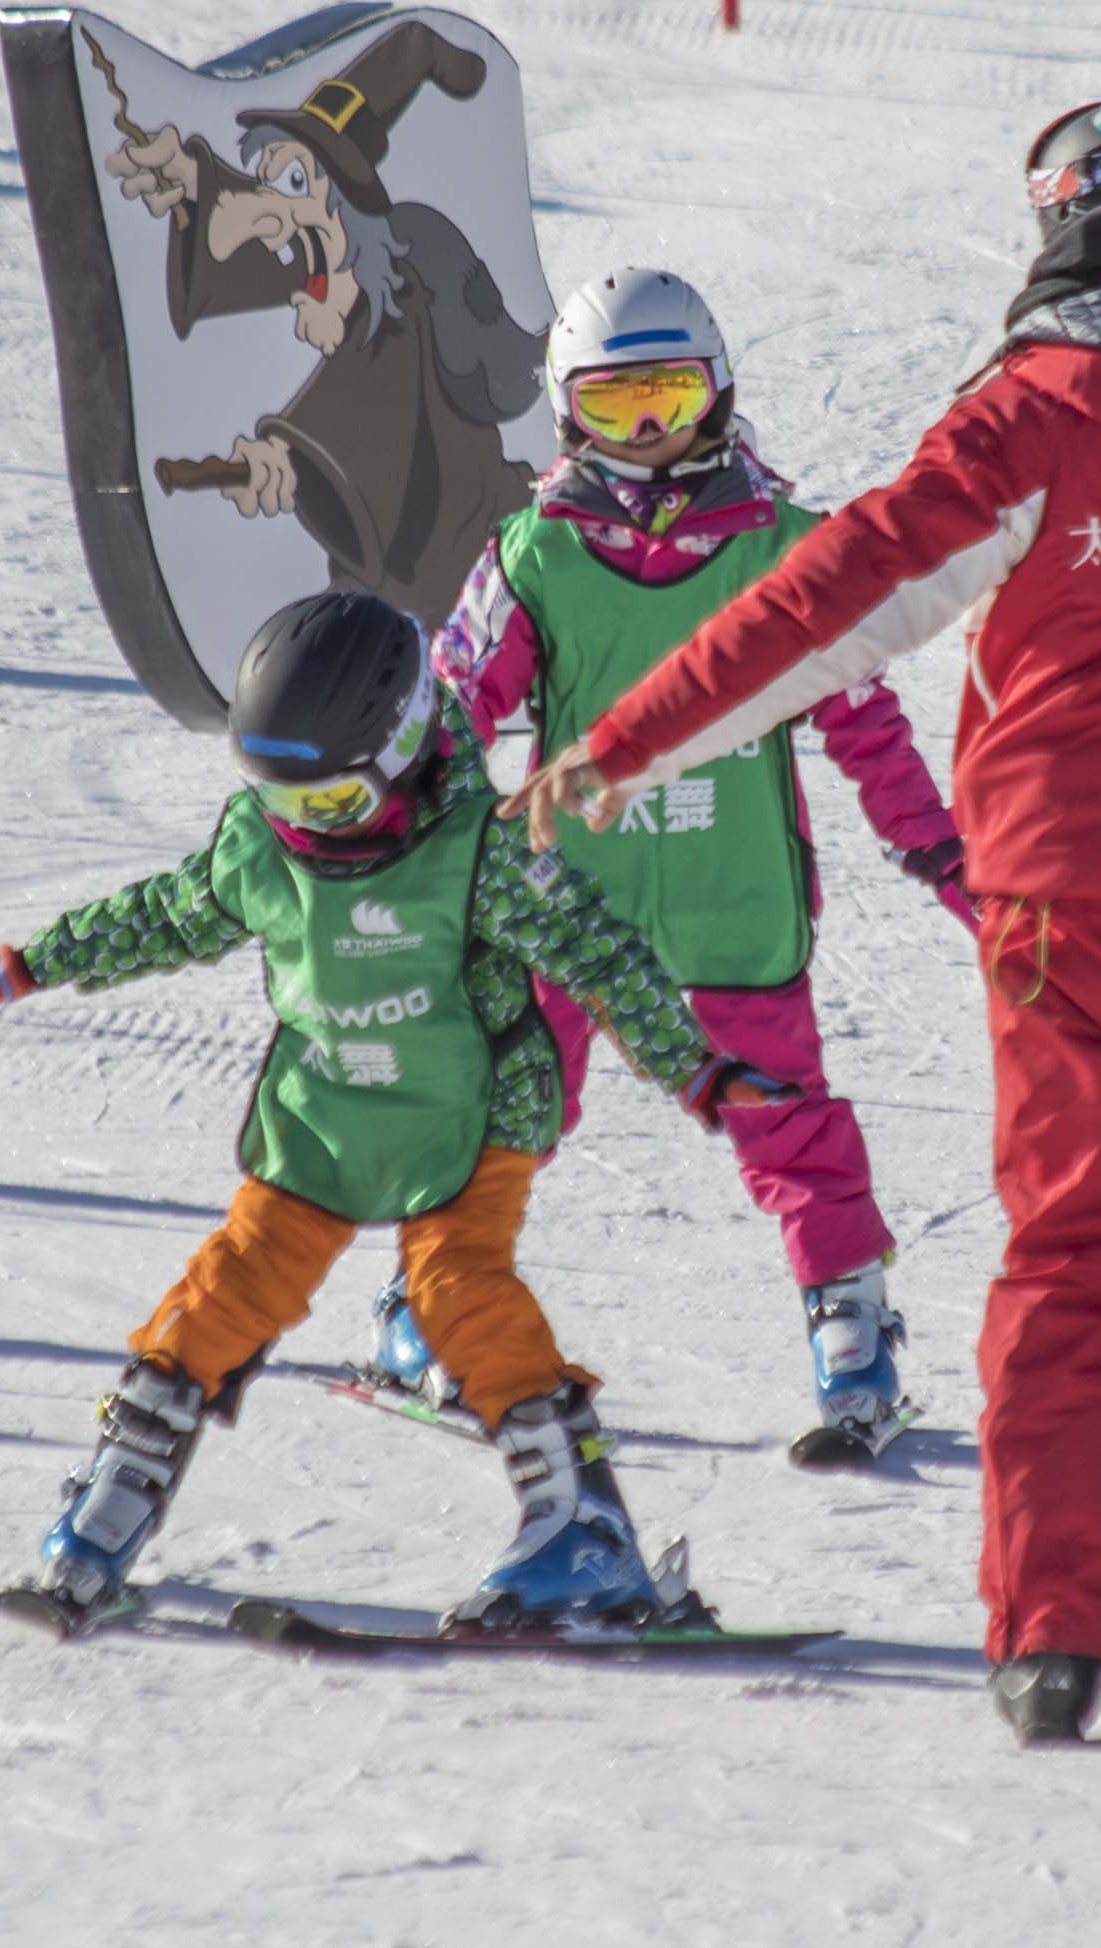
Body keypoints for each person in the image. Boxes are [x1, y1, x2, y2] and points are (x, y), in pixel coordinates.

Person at [510, 103, 1101, 1748]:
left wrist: (618, 741)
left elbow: (825, 601)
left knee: (1070, 1260)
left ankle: (1050, 1645)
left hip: (1077, 900)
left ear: (1054, 228)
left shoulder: (1037, 411)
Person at [0, 589, 789, 1638]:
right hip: (324, 1115)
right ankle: (106, 1515)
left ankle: (584, 1538)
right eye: (281, 796)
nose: (301, 823)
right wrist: (28, 963)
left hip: (472, 1115)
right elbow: (168, 915)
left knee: (460, 1293)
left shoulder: (486, 852)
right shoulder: (262, 845)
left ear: (408, 743)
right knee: (227, 1291)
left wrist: (692, 1066)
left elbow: (602, 954)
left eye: (330, 803)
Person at [408, 267, 972, 1463]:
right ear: (570, 416)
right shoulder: (535, 557)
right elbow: (454, 710)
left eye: (670, 396)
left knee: (785, 1121)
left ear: (719, 391)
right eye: (619, 408)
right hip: (569, 905)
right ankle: (435, 1308)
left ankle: (853, 1334)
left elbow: (862, 720)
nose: (653, 433)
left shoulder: (787, 547)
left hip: (730, 896)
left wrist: (936, 846)